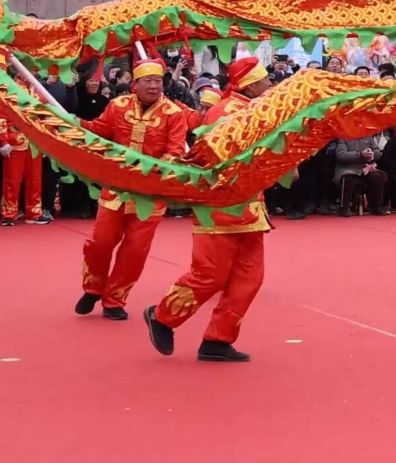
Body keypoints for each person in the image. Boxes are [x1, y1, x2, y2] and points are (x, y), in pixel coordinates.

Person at [145, 57, 274, 362]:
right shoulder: (226, 112)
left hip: (251, 207)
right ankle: (162, 316)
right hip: (219, 207)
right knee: (209, 276)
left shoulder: (257, 109)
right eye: (265, 80)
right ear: (252, 84)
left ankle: (218, 339)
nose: (270, 84)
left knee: (250, 278)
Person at [75, 59, 189, 318]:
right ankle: (93, 288)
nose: (153, 86)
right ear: (134, 85)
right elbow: (99, 131)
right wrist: (73, 123)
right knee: (99, 243)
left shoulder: (174, 113)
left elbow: (175, 152)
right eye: (147, 81)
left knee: (135, 251)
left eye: (158, 81)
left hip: (150, 196)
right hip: (116, 189)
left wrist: (152, 172)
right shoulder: (117, 106)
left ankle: (114, 300)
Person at [0, 72, 46, 226]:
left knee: (35, 181)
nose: (32, 73)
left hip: (35, 144)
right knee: (12, 180)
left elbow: (45, 117)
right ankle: (9, 213)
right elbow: (1, 117)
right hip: (15, 142)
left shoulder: (38, 91)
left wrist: (46, 142)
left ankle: (34, 212)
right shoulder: (8, 89)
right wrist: (3, 140)